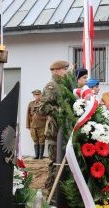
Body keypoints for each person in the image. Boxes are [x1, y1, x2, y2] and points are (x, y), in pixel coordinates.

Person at [40, 60, 69, 194]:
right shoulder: (51, 86)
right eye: (64, 69)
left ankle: (61, 192)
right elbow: (43, 108)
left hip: (64, 131)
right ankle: (51, 194)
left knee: (64, 163)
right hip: (54, 130)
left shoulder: (63, 85)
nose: (66, 71)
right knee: (54, 163)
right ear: (56, 71)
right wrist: (60, 111)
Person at [26, 89, 46, 159]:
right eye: (35, 95)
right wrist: (28, 125)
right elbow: (28, 115)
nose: (37, 96)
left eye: (38, 94)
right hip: (33, 125)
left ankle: (41, 156)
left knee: (42, 140)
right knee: (35, 140)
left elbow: (47, 114)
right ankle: (36, 155)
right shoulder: (31, 104)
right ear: (34, 96)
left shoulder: (44, 104)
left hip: (41, 125)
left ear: (41, 95)